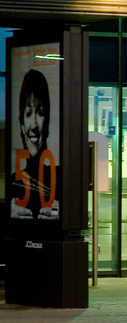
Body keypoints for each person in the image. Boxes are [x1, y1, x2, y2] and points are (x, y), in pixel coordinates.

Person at [10, 69, 60, 221]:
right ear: (21, 124)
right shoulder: (13, 182)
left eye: (40, 113)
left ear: (48, 121)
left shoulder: (62, 178)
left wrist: (64, 214)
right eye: (28, 113)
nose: (34, 126)